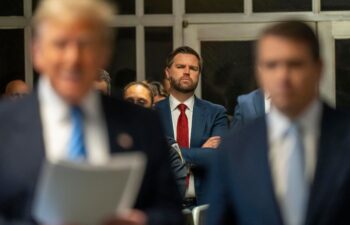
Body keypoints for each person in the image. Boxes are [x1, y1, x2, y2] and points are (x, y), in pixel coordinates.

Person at [0, 0, 183, 225]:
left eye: (86, 45)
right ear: (37, 51)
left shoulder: (142, 123)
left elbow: (171, 212)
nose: (73, 59)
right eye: (60, 44)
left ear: (105, 53)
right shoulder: (4, 125)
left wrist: (142, 221)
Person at [207, 21, 350, 225]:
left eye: (295, 64)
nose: (282, 76)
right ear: (260, 72)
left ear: (318, 68)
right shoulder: (234, 148)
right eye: (271, 65)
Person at [155, 46, 228, 208]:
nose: (187, 72)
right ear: (167, 72)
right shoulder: (151, 114)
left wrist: (172, 151)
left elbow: (216, 157)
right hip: (164, 205)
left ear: (198, 75)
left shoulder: (216, 113)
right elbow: (153, 159)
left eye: (193, 68)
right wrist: (201, 151)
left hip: (205, 206)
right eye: (180, 67)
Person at [123, 81, 188, 196]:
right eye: (129, 101)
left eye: (141, 102)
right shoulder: (106, 141)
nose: (134, 106)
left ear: (152, 108)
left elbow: (177, 191)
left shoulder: (167, 148)